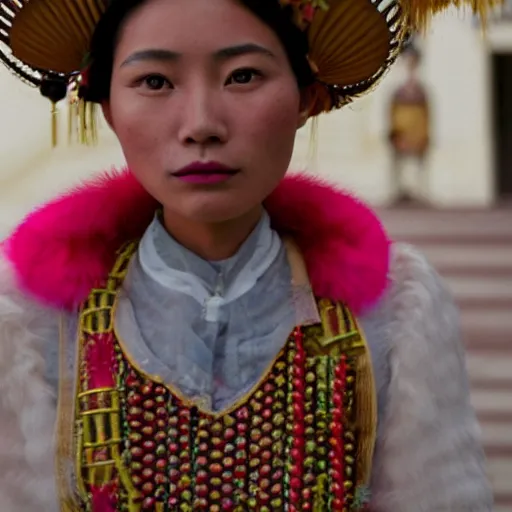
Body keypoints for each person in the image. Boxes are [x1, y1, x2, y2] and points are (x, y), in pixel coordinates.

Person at [0, 0, 494, 510]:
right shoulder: (28, 325)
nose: (201, 124)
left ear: (307, 98)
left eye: (243, 75)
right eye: (154, 81)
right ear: (107, 108)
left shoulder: (394, 314)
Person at [388, 44, 431, 203]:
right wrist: (395, 133)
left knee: (419, 166)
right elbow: (393, 113)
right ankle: (400, 191)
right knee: (399, 166)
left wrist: (424, 134)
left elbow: (425, 114)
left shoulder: (421, 90)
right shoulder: (398, 90)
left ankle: (420, 192)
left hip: (417, 133)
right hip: (401, 133)